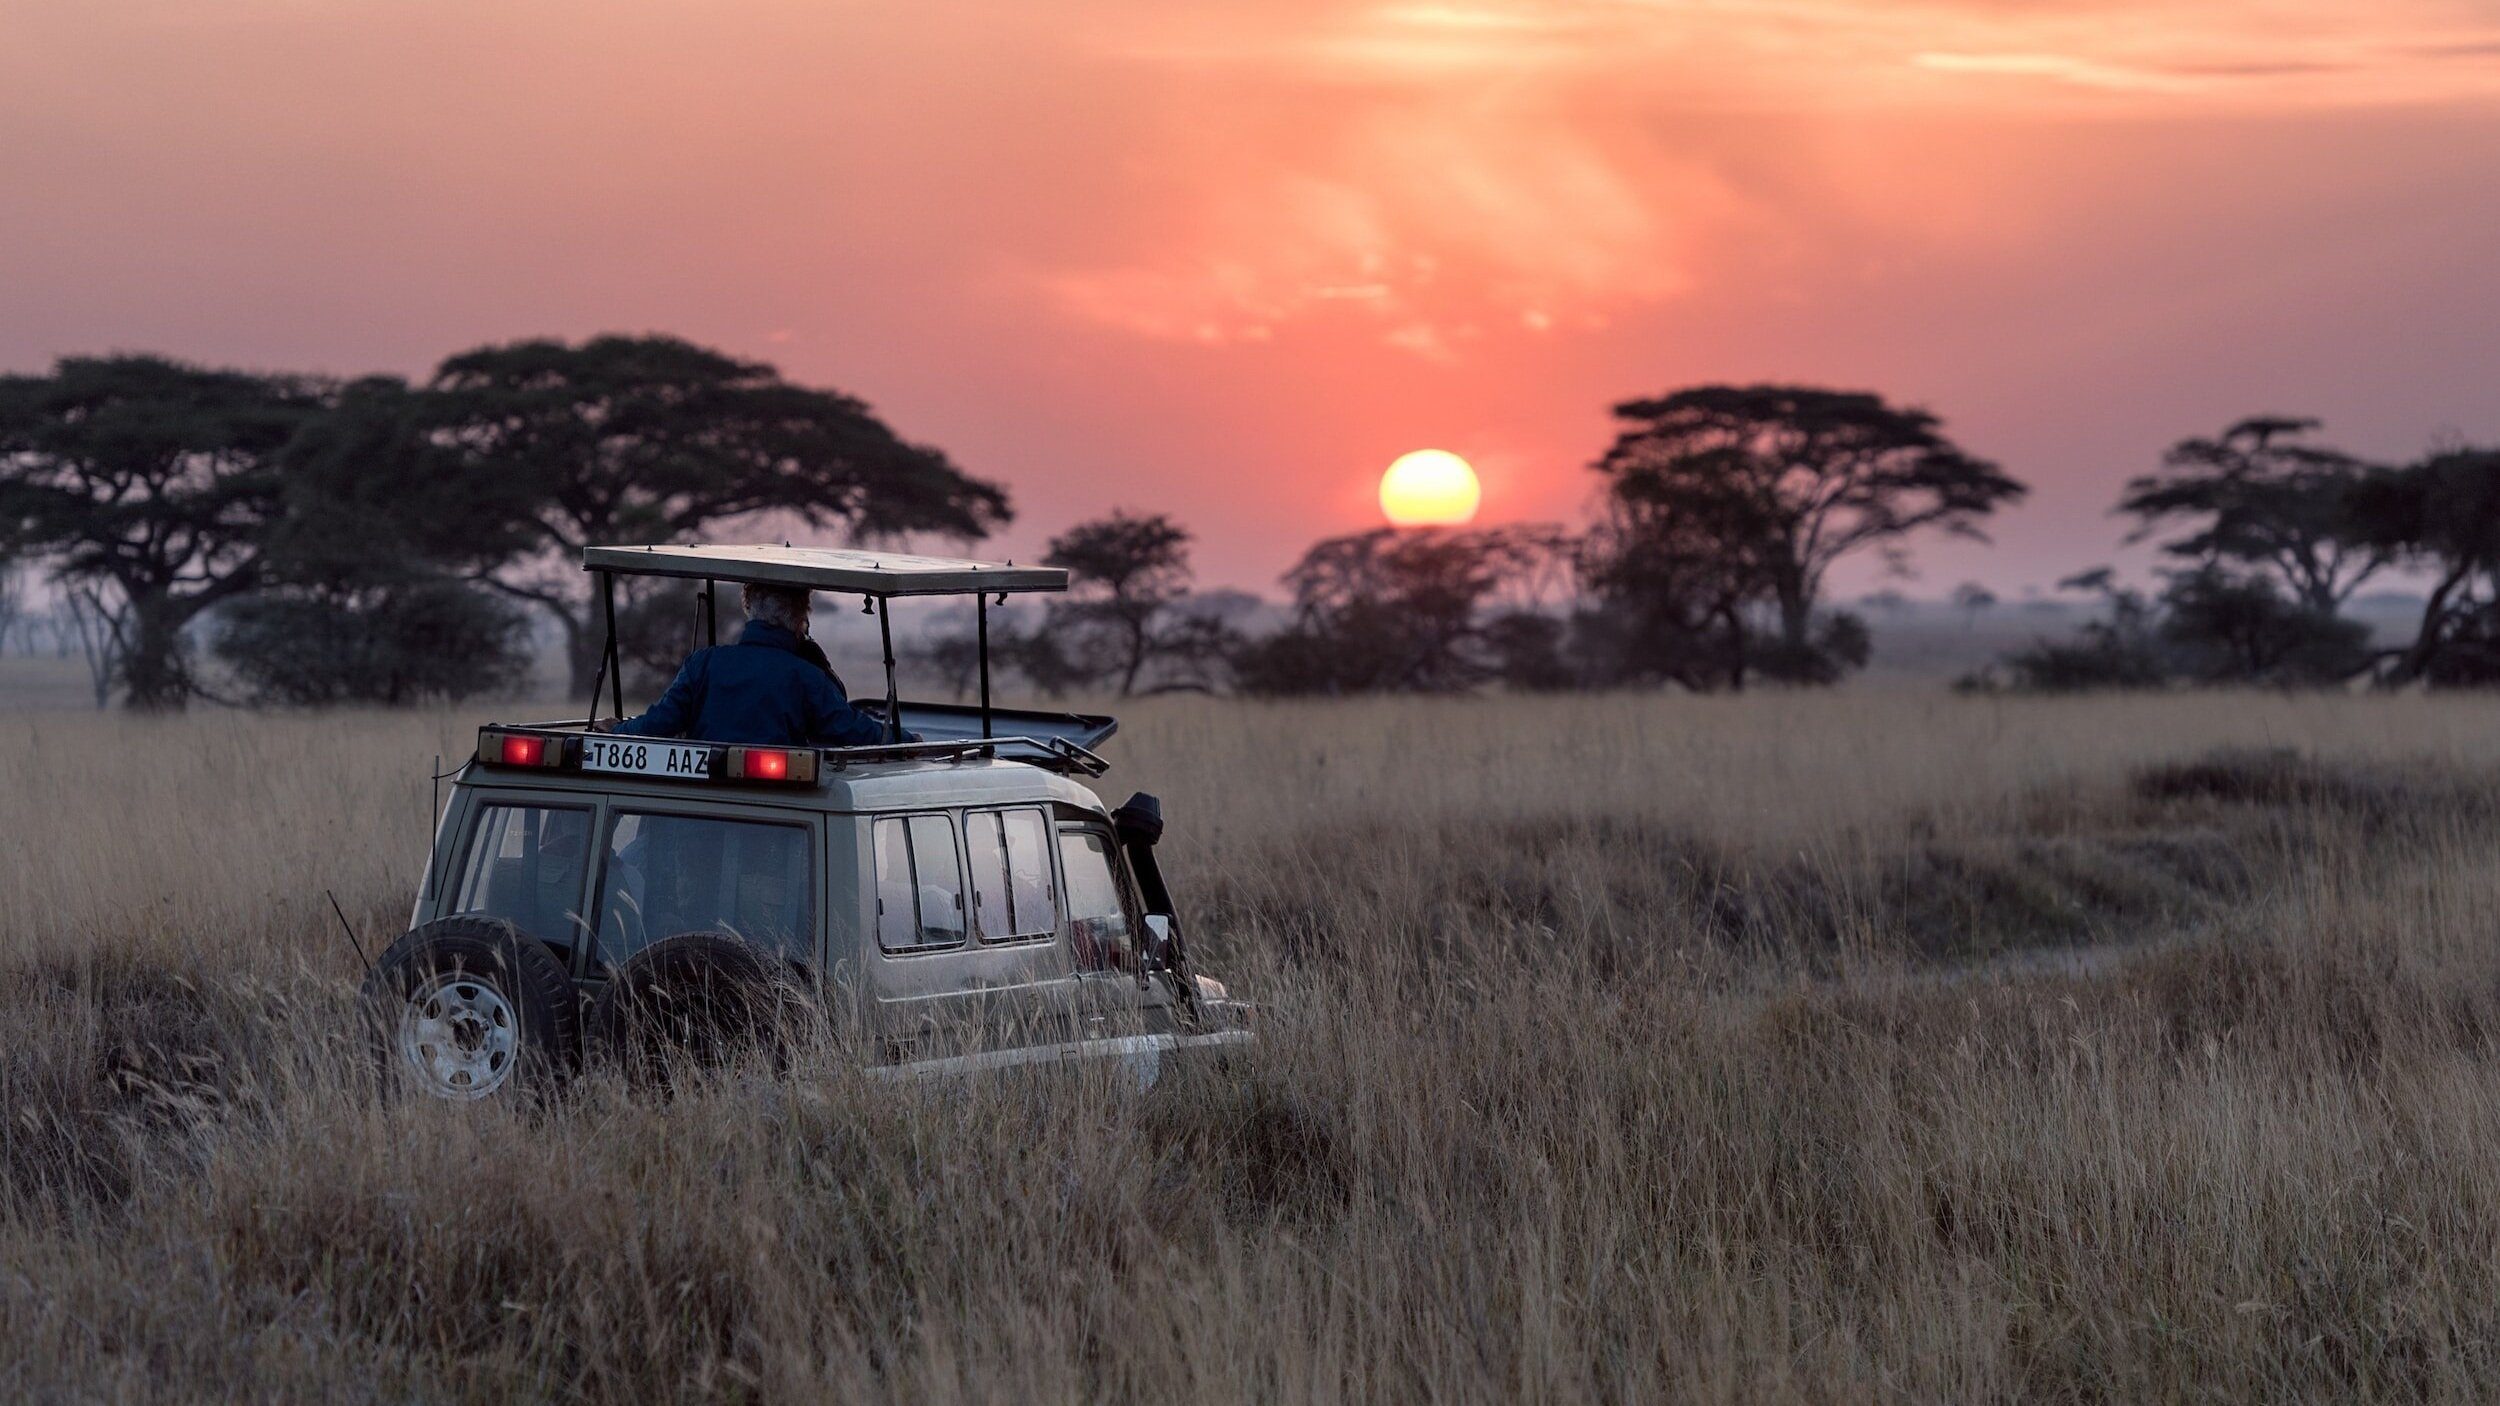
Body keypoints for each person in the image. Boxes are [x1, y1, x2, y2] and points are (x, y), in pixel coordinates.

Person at [604, 583, 912, 747]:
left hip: (703, 812)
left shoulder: (703, 663)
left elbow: (661, 721)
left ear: (748, 609)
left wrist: (619, 730)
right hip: (780, 816)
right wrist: (907, 741)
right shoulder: (805, 676)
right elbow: (849, 729)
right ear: (799, 619)